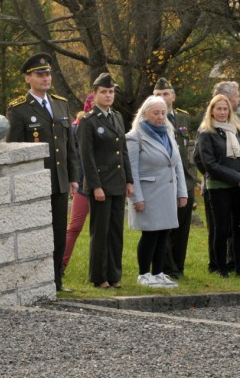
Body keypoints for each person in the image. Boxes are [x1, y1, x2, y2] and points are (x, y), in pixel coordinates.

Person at [6, 52, 79, 292]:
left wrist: (73, 177)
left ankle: (56, 281)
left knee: (59, 233)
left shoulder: (60, 104)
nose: (45, 78)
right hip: (34, 182)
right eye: (39, 74)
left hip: (58, 181)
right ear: (28, 79)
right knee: (35, 232)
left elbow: (69, 146)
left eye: (47, 73)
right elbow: (14, 150)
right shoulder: (19, 109)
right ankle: (33, 281)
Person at [78, 73, 134, 288]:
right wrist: (96, 186)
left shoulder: (117, 117)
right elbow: (87, 157)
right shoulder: (88, 121)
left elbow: (123, 152)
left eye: (111, 92)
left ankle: (114, 274)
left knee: (115, 232)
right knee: (100, 232)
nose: (108, 95)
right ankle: (99, 276)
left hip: (118, 183)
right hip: (100, 184)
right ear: (95, 94)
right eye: (104, 92)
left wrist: (129, 180)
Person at [126, 96, 188, 288]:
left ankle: (159, 272)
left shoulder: (168, 133)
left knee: (164, 233)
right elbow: (132, 170)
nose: (161, 117)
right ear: (145, 114)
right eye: (156, 113)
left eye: (163, 113)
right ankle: (144, 273)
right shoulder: (135, 137)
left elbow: (177, 165)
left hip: (167, 192)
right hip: (149, 193)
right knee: (150, 234)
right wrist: (137, 197)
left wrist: (182, 192)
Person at [195, 94, 240, 278]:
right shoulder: (207, 134)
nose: (222, 112)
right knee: (221, 229)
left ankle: (239, 267)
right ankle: (221, 268)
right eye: (218, 108)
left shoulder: (237, 131)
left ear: (229, 111)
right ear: (211, 111)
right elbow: (209, 164)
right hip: (218, 187)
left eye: (225, 108)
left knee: (239, 228)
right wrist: (235, 177)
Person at [152, 78, 195, 279]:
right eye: (158, 94)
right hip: (163, 180)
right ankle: (166, 268)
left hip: (184, 179)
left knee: (182, 227)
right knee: (164, 226)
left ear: (173, 96)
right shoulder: (150, 119)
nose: (161, 98)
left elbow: (186, 151)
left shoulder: (183, 118)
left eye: (165, 94)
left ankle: (178, 266)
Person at [61, 93, 94, 273]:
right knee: (74, 227)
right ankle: (62, 264)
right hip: (82, 184)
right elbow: (74, 157)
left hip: (103, 185)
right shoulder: (76, 127)